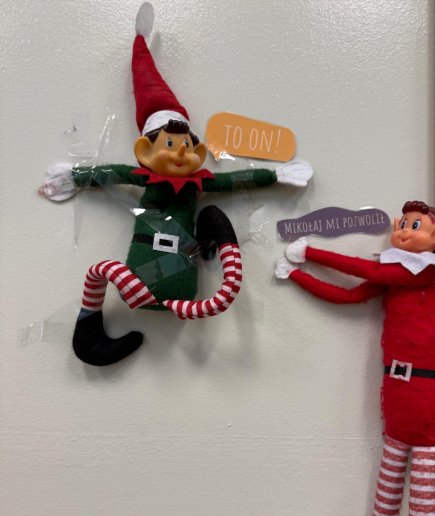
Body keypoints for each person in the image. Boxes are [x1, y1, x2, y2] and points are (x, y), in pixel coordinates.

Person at [39, 2, 312, 366]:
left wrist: (274, 175)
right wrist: (73, 177)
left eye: (187, 144)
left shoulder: (198, 184)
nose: (182, 151)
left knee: (116, 275)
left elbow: (233, 180)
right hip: (138, 278)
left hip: (179, 284)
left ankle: (114, 316)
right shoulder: (142, 177)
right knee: (102, 271)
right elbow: (108, 174)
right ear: (145, 151)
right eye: (171, 143)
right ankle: (91, 333)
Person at [275, 200, 435, 516]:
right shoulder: (397, 276)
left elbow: (369, 271)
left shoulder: (423, 271)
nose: (403, 231)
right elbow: (350, 296)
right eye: (403, 223)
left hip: (429, 404)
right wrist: (297, 275)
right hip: (397, 402)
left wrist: (310, 251)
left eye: (415, 226)